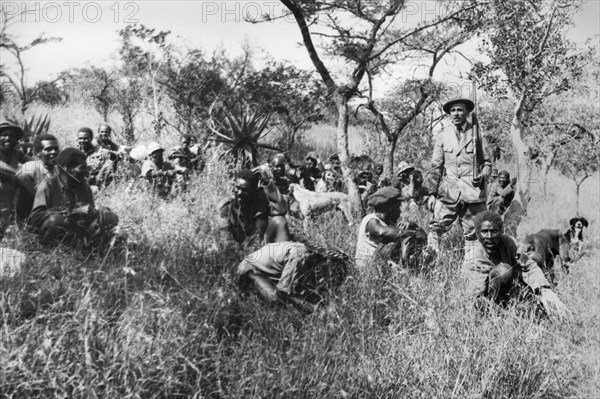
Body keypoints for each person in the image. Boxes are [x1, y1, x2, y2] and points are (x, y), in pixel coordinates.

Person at [463, 211, 566, 318]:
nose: (489, 236)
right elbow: (476, 299)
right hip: (488, 296)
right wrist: (509, 314)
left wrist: (544, 289)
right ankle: (503, 304)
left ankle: (534, 299)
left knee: (535, 258)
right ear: (477, 233)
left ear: (501, 231)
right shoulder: (473, 257)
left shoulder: (506, 241)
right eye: (484, 231)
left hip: (507, 285)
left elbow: (526, 264)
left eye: (494, 231)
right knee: (504, 271)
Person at [425, 98, 491, 256]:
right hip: (451, 192)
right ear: (449, 114)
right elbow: (436, 167)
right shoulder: (442, 136)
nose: (456, 113)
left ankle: (472, 266)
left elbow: (487, 163)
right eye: (453, 110)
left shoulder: (478, 134)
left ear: (467, 112)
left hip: (473, 193)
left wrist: (482, 176)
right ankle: (430, 261)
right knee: (436, 228)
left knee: (474, 232)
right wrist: (432, 194)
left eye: (460, 110)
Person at [29, 148, 119, 245]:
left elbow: (88, 211)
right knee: (56, 220)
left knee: (110, 217)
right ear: (67, 169)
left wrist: (98, 211)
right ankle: (52, 248)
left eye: (86, 168)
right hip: (54, 232)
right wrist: (71, 211)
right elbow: (36, 217)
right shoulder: (47, 185)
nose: (86, 172)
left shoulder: (84, 186)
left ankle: (93, 246)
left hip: (77, 231)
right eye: (82, 168)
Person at [237, 241, 350, 313]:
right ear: (326, 262)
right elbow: (284, 292)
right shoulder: (301, 255)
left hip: (266, 273)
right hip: (250, 270)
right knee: (277, 300)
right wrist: (316, 310)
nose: (325, 278)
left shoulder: (312, 257)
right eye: (329, 273)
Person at [218, 169, 290, 248]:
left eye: (244, 190)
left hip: (262, 246)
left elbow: (282, 209)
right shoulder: (227, 207)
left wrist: (268, 183)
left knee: (279, 220)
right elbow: (224, 238)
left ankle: (284, 255)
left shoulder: (260, 200)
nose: (239, 193)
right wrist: (241, 250)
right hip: (240, 250)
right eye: (237, 188)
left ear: (253, 191)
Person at [355, 187, 413, 273]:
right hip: (367, 265)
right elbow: (381, 231)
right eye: (397, 207)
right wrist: (410, 233)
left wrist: (412, 226)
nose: (400, 211)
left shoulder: (389, 222)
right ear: (386, 207)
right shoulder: (371, 219)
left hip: (381, 264)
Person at [15, 134, 60, 224]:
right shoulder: (30, 169)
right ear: (38, 152)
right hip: (33, 219)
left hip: (53, 216)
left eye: (56, 148)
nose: (54, 152)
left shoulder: (57, 169)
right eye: (48, 149)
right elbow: (20, 202)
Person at [0, 122, 32, 239]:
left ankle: (15, 226)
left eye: (12, 136)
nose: (8, 138)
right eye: (4, 135)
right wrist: (17, 176)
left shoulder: (16, 152)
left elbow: (33, 163)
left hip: (11, 189)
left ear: (16, 139)